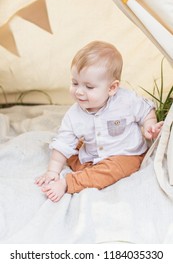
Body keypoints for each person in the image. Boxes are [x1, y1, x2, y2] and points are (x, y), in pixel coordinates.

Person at [35, 41, 163, 202]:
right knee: (67, 149)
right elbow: (63, 143)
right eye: (75, 83)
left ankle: (68, 183)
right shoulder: (73, 115)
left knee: (111, 170)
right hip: (94, 154)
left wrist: (149, 125)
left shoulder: (126, 101)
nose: (79, 91)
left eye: (89, 87)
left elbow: (146, 111)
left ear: (112, 88)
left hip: (126, 154)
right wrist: (52, 172)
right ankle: (89, 173)